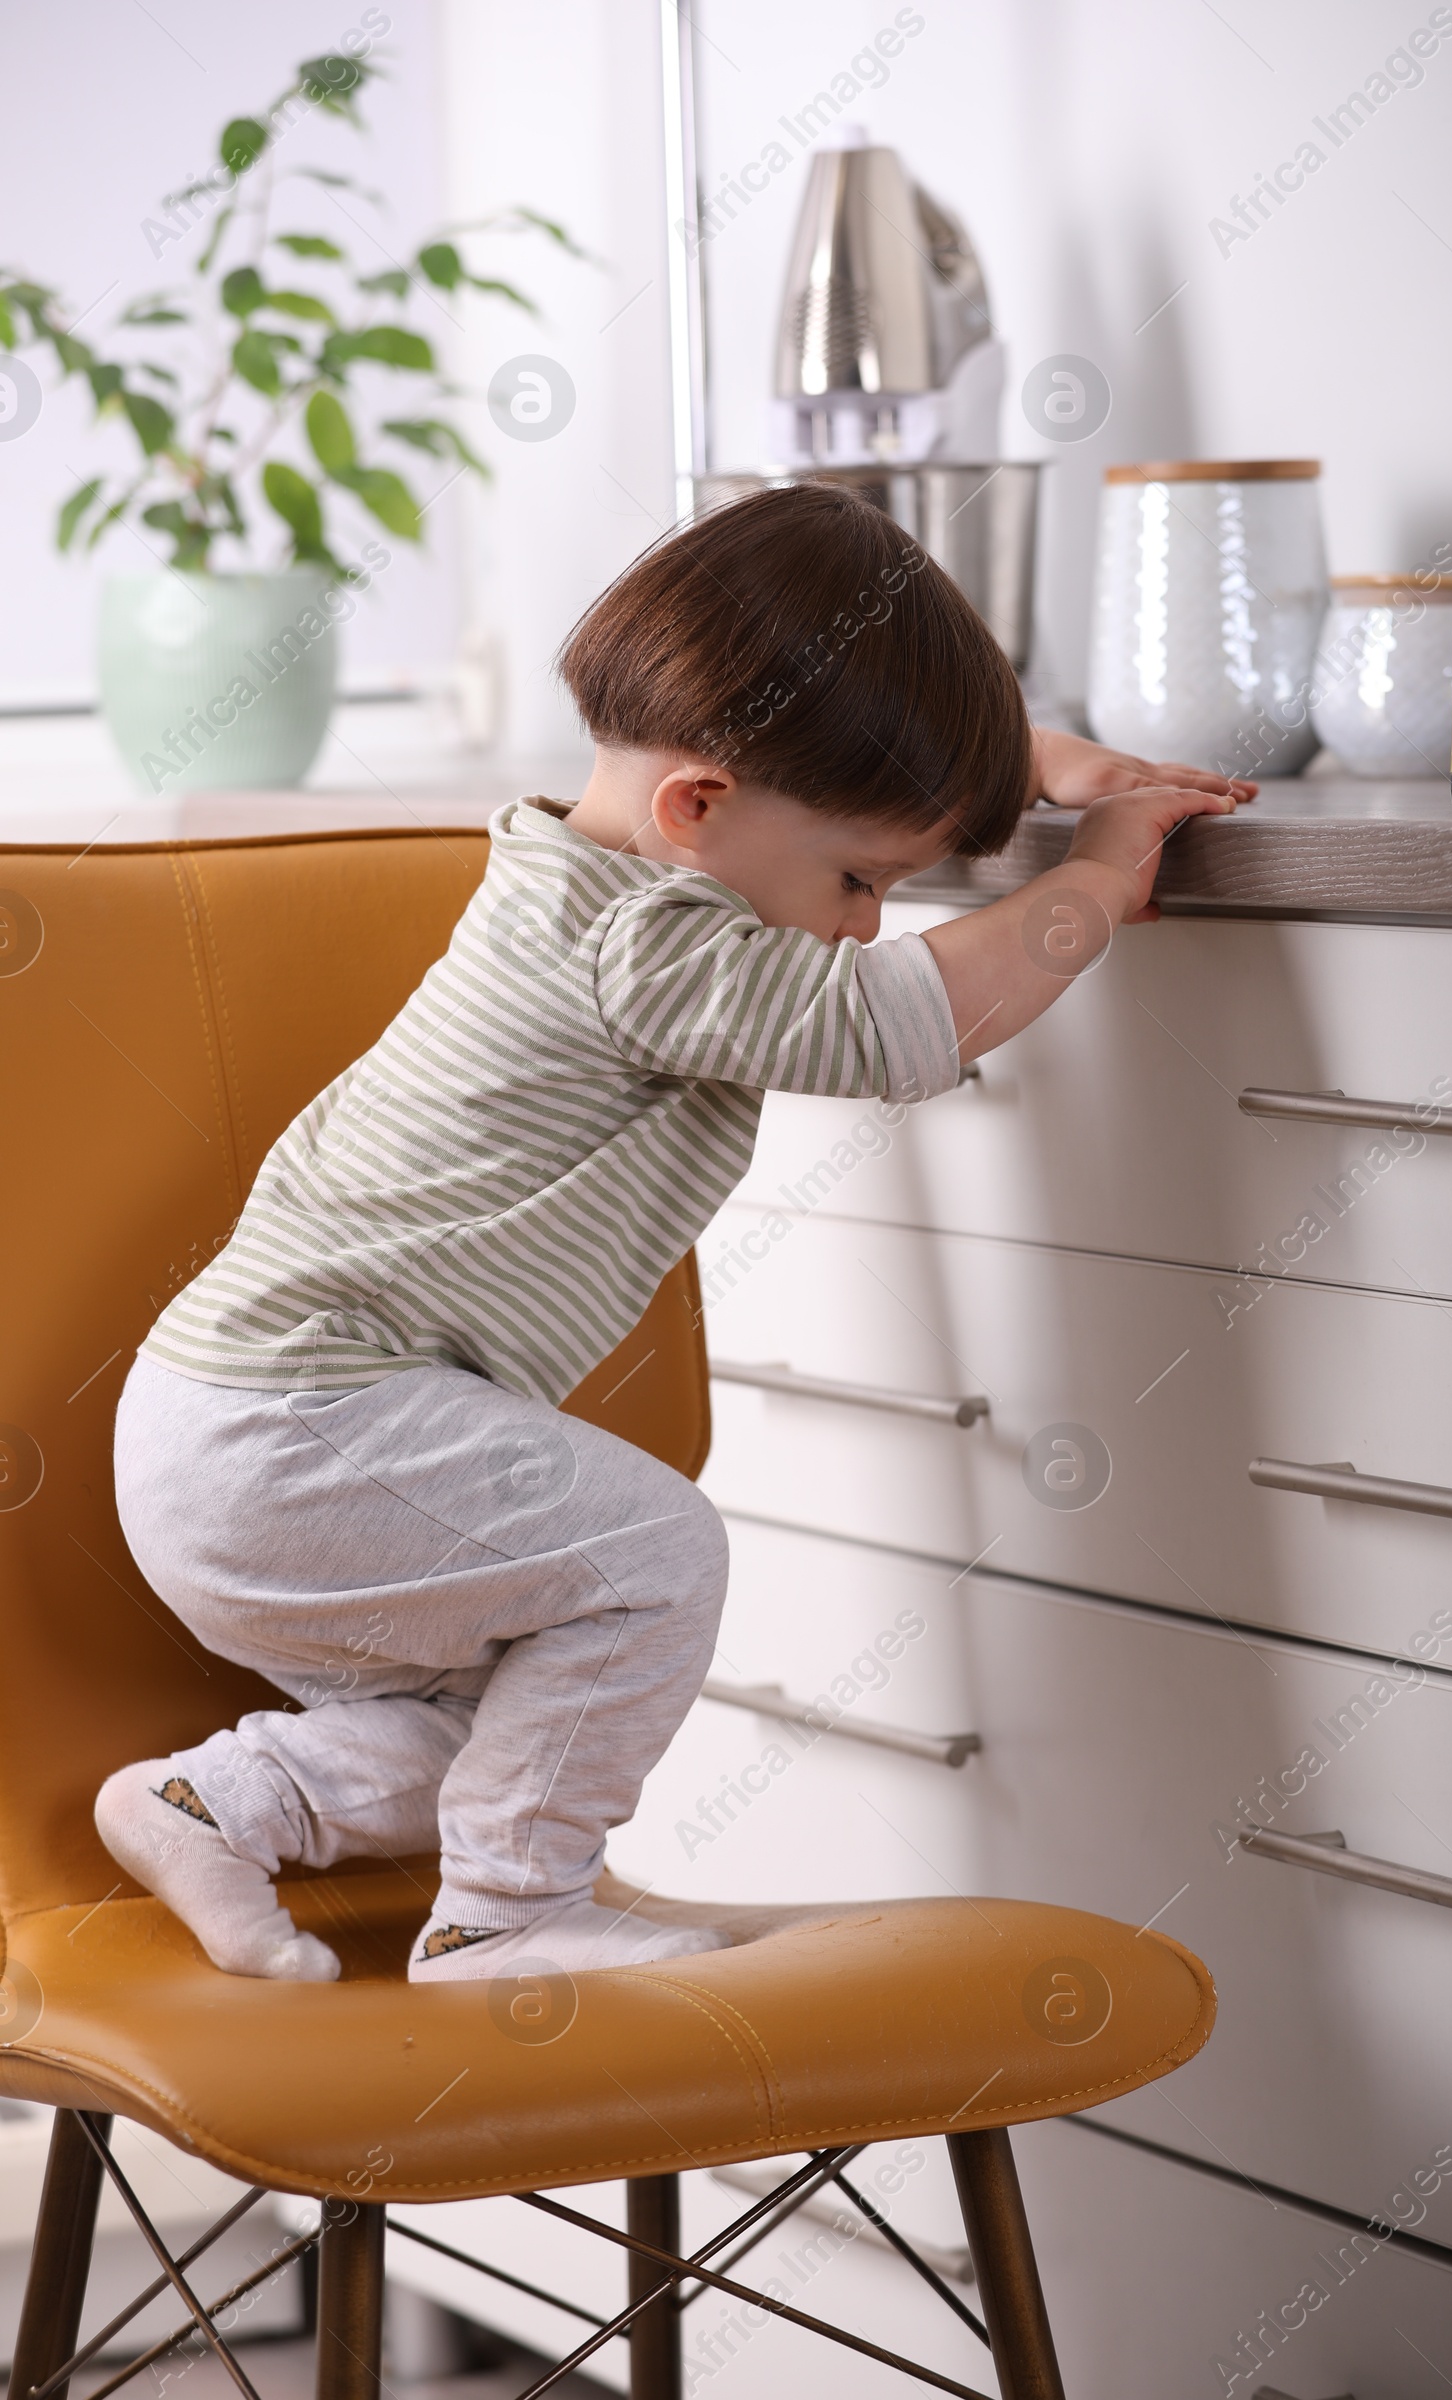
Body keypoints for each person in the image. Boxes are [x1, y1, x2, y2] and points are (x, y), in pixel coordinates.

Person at [97, 483, 1252, 1985]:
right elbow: (891, 1017)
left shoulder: (595, 865)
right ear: (699, 808)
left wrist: (1053, 764)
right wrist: (1093, 876)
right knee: (658, 1557)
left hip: (236, 1440)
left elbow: (840, 791)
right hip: (302, 1426)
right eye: (860, 883)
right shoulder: (648, 938)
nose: (859, 923)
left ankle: (220, 1802)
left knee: (520, 1720)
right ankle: (505, 1918)